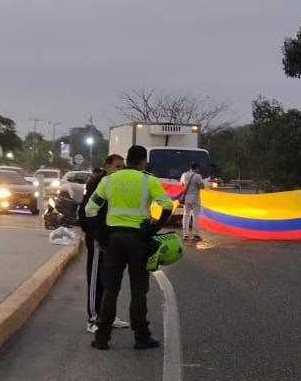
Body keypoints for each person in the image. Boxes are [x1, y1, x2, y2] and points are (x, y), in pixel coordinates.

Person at [85, 145, 174, 351]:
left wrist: (101, 233)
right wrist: (153, 228)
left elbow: (91, 208)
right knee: (138, 290)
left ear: (126, 160)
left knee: (110, 289)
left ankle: (102, 338)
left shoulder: (109, 180)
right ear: (143, 161)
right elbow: (167, 205)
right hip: (138, 241)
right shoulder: (148, 180)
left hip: (114, 240)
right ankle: (141, 337)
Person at [80, 155, 128, 334]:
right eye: (117, 166)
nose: (120, 170)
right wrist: (93, 234)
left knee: (109, 278)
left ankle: (108, 315)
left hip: (110, 237)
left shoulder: (115, 183)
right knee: (95, 278)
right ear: (107, 166)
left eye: (122, 167)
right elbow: (85, 210)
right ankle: (93, 318)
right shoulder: (98, 182)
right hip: (97, 237)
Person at [178, 162, 207, 241]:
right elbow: (202, 186)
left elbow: (182, 185)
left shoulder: (184, 175)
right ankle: (195, 235)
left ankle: (185, 235)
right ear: (197, 168)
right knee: (195, 217)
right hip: (195, 199)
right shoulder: (198, 176)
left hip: (186, 198)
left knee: (186, 215)